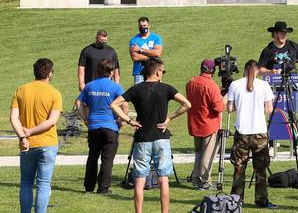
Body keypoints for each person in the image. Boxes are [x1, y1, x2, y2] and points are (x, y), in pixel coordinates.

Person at [110, 58, 191, 213]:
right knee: (163, 178)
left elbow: (114, 104)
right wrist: (170, 117)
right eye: (163, 71)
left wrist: (129, 120)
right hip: (161, 137)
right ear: (158, 71)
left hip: (142, 138)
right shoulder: (166, 88)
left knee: (140, 179)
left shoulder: (136, 89)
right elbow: (187, 104)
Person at [10, 58, 62, 213]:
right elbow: (52, 121)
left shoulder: (21, 90)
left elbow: (13, 118)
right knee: (44, 184)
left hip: (27, 145)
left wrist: (23, 136)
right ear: (50, 74)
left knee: (26, 183)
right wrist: (31, 131)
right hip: (47, 143)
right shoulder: (55, 93)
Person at [228, 60, 277, 209]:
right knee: (260, 169)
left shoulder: (235, 85)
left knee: (239, 168)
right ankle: (261, 200)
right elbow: (269, 109)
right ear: (257, 71)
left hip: (242, 132)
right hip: (259, 132)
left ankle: (236, 200)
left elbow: (230, 108)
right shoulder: (264, 85)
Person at [76, 59, 127, 194]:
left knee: (92, 157)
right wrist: (121, 120)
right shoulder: (116, 87)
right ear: (110, 72)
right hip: (110, 126)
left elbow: (79, 102)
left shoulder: (89, 86)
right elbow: (125, 104)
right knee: (107, 158)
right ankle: (103, 188)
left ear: (98, 71)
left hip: (93, 126)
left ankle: (88, 187)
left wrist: (85, 119)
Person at [186, 59, 225, 190]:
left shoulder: (191, 82)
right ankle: (204, 182)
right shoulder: (211, 85)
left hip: (194, 123)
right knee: (207, 155)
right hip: (209, 125)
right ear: (213, 71)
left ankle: (196, 179)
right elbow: (218, 107)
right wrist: (223, 97)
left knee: (198, 153)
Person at [259, 21, 298, 87]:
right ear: (275, 34)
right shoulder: (268, 50)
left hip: (292, 84)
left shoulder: (293, 46)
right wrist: (271, 72)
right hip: (274, 85)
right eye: (282, 33)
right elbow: (260, 70)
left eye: (285, 33)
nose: (284, 35)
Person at [129, 16, 163, 84]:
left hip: (154, 70)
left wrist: (140, 50)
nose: (142, 27)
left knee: (155, 92)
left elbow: (157, 53)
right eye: (140, 25)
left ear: (149, 26)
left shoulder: (156, 38)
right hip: (139, 72)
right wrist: (153, 58)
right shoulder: (134, 40)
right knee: (139, 93)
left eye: (144, 25)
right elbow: (135, 57)